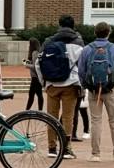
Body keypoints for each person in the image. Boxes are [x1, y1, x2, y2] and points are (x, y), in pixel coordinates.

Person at [77, 22, 114, 161]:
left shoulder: (87, 49)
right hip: (110, 89)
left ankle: (95, 154)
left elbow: (81, 71)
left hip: (94, 90)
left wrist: (86, 85)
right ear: (109, 32)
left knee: (95, 121)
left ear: (95, 33)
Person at [35, 16, 85, 156]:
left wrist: (43, 82)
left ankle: (52, 148)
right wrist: (81, 84)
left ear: (59, 25)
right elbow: (82, 67)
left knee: (52, 116)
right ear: (73, 26)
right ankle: (66, 148)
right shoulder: (79, 43)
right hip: (71, 84)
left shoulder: (49, 41)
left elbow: (38, 63)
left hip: (52, 84)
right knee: (68, 117)